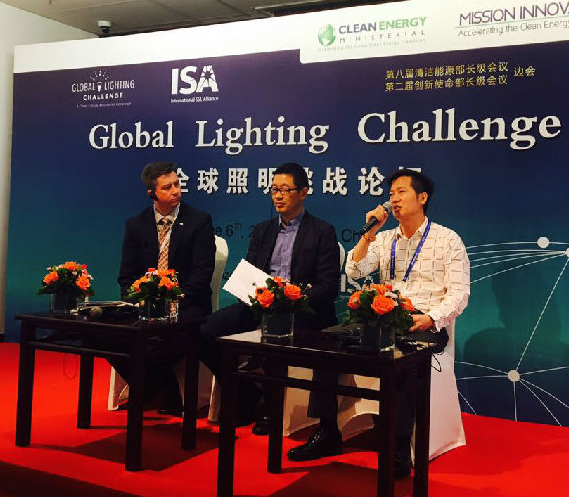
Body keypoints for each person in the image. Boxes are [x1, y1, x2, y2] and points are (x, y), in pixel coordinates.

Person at [287, 168, 470, 479]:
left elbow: (460, 293)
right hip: (382, 319)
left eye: (401, 192)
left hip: (422, 322)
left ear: (422, 197)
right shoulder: (385, 239)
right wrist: (369, 233)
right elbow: (354, 270)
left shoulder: (447, 240)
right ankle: (327, 430)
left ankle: (398, 445)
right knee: (326, 348)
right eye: (391, 194)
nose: (393, 200)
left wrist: (431, 318)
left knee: (404, 359)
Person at [199, 162, 340, 431]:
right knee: (205, 331)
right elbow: (250, 271)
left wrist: (292, 296)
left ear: (303, 192)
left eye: (285, 190)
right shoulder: (263, 230)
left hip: (301, 312)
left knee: (277, 334)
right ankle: (245, 392)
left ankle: (271, 407)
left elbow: (328, 287)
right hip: (259, 305)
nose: (278, 196)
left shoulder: (322, 231)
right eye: (274, 189)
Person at [113, 161, 216, 413]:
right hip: (144, 304)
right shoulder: (136, 224)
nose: (176, 191)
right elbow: (126, 276)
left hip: (188, 304)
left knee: (171, 335)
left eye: (177, 184)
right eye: (167, 187)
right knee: (107, 336)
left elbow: (201, 275)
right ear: (152, 194)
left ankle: (150, 389)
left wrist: (173, 302)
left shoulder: (199, 221)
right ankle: (155, 386)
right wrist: (137, 301)